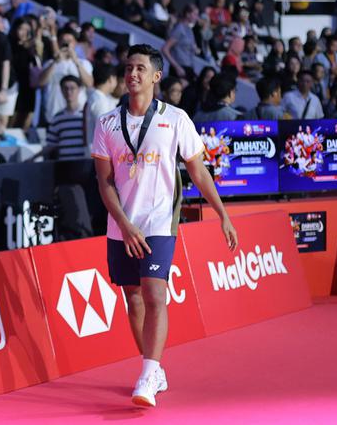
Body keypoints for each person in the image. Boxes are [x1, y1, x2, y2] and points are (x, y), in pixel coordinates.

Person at [91, 44, 237, 407]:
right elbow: (104, 182)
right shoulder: (107, 122)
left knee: (155, 293)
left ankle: (146, 374)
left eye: (140, 68)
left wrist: (222, 214)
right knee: (133, 295)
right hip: (121, 223)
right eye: (128, 68)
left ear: (156, 76)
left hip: (159, 220)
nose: (132, 74)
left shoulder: (176, 118)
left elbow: (198, 170)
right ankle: (153, 368)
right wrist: (124, 224)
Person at [45, 75, 88, 160]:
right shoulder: (57, 118)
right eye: (65, 88)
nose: (69, 92)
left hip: (84, 163)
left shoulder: (86, 115)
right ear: (61, 90)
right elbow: (50, 145)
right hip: (65, 165)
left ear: (79, 90)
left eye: (72, 88)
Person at [85, 63, 119, 143]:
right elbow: (104, 127)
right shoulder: (99, 100)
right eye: (116, 79)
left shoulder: (98, 98)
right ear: (111, 79)